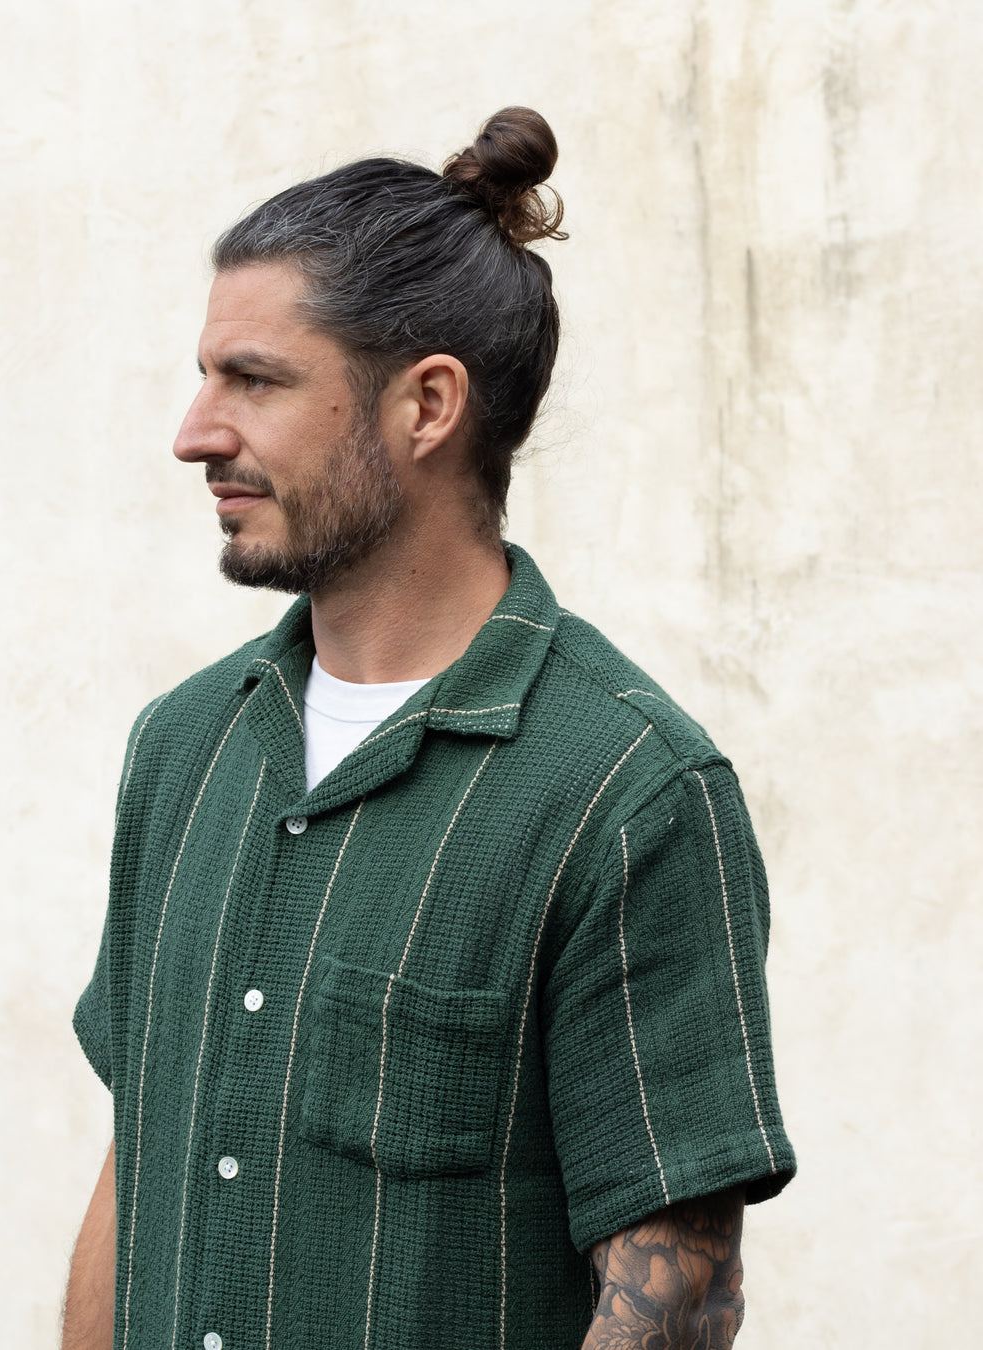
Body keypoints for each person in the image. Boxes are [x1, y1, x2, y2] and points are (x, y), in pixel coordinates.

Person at [63, 107, 795, 1350]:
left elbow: (677, 1298)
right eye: (206, 375)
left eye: (255, 380)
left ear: (427, 406)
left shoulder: (629, 794)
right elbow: (139, 1157)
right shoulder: (183, 747)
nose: (196, 433)